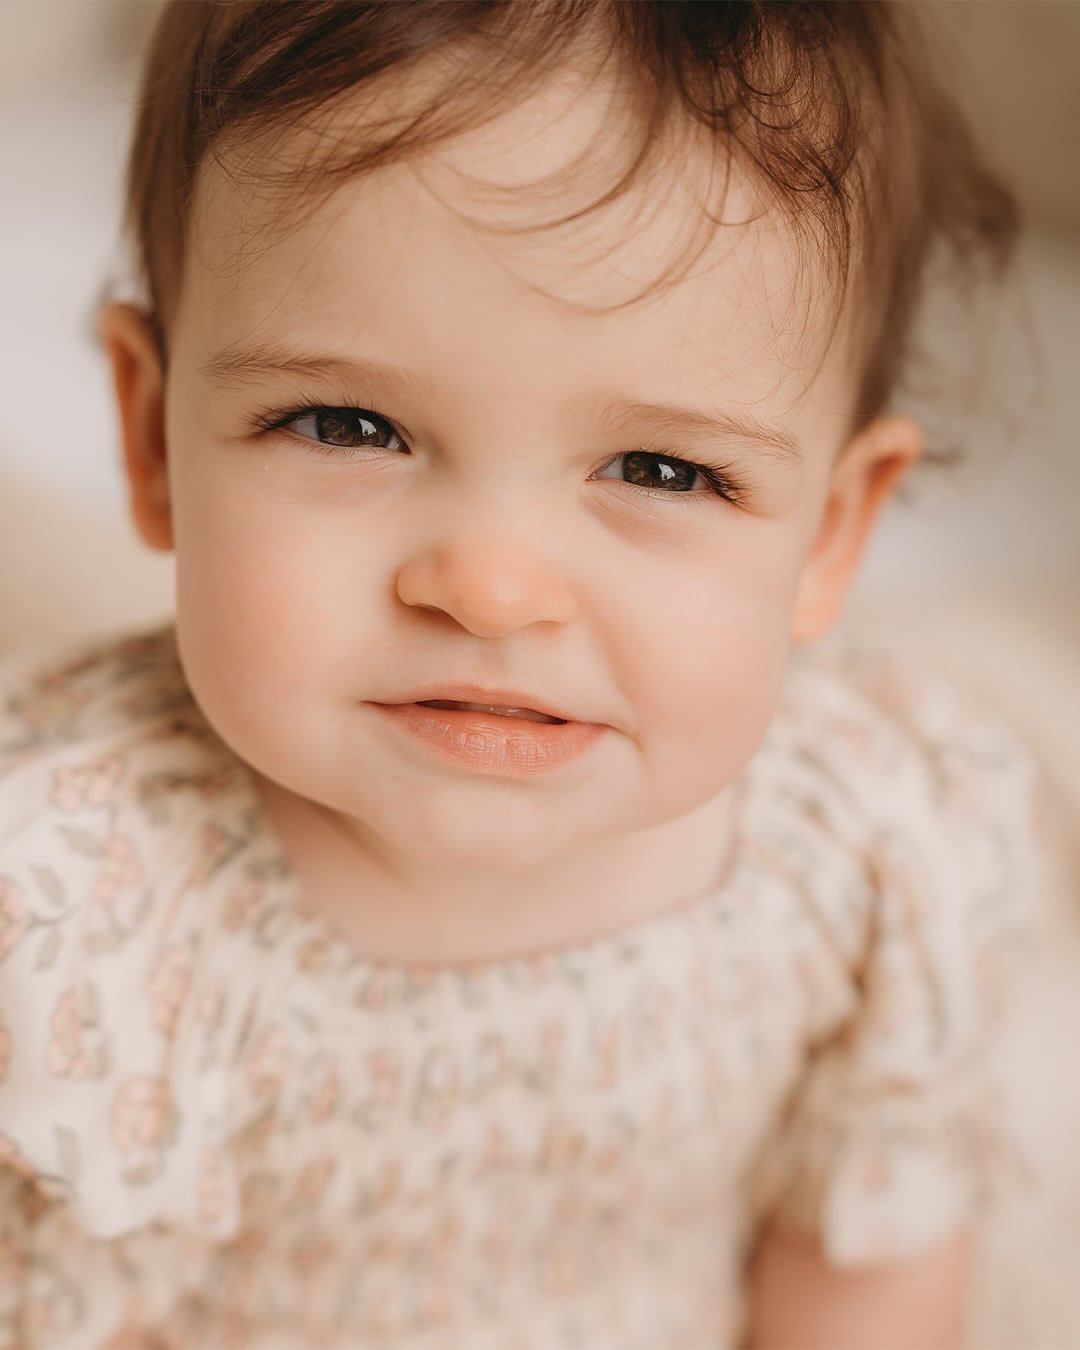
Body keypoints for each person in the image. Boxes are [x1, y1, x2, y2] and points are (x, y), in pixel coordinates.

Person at [0, 2, 1044, 1346]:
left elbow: (863, 1271)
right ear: (150, 436)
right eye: (349, 423)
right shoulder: (81, 910)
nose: (491, 587)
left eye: (663, 470)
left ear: (834, 529)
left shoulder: (865, 839)